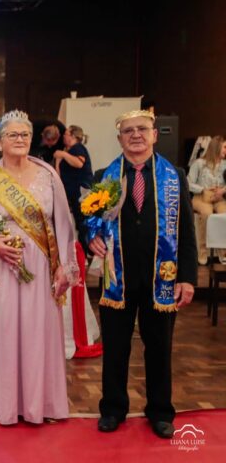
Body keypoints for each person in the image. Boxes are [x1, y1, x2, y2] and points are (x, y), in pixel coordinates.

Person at [0, 110, 78, 425]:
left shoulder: (47, 175)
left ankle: (39, 404)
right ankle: (1, 404)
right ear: (0, 141)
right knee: (4, 329)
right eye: (12, 135)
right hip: (2, 265)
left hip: (41, 265)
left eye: (24, 134)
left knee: (38, 330)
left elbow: (63, 223)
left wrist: (63, 266)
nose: (19, 139)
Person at [86, 110, 196, 438]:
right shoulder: (104, 176)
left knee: (160, 348)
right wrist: (89, 237)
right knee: (115, 348)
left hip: (162, 276)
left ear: (154, 134)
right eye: (128, 130)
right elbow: (89, 221)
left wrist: (187, 277)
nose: (135, 135)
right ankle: (112, 409)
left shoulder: (175, 176)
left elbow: (187, 230)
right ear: (119, 138)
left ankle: (160, 412)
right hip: (117, 277)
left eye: (142, 129)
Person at [187, 135, 226, 264]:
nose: (225, 150)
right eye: (224, 147)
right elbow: (188, 183)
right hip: (201, 197)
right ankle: (203, 252)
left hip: (219, 197)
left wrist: (222, 190)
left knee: (224, 215)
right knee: (207, 214)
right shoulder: (199, 163)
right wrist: (203, 189)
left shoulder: (225, 164)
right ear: (217, 147)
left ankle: (223, 251)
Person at [54, 125, 93, 250]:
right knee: (78, 222)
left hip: (81, 193)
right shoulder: (69, 151)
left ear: (73, 136)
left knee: (83, 223)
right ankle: (83, 250)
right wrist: (58, 160)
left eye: (66, 134)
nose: (63, 136)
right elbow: (59, 175)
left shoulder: (78, 148)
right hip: (72, 193)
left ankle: (88, 250)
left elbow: (79, 163)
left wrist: (63, 154)